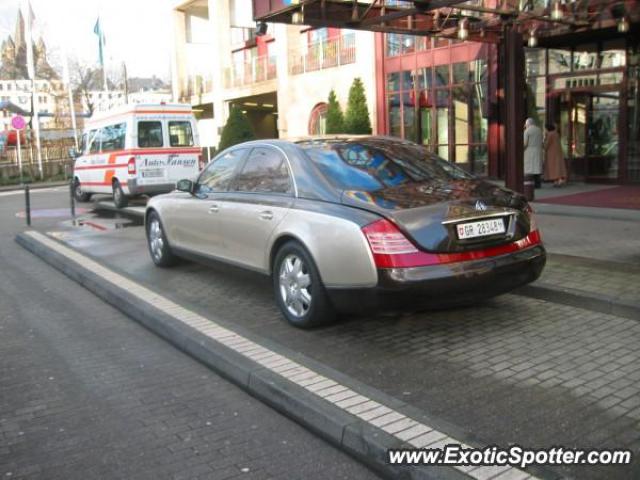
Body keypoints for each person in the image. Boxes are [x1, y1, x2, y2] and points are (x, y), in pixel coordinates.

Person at [524, 117, 543, 188]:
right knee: (537, 168)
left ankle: (530, 184)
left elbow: (525, 143)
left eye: (525, 124)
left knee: (529, 168)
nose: (525, 125)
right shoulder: (539, 130)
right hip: (538, 150)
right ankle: (538, 184)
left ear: (528, 123)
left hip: (529, 151)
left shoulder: (527, 131)